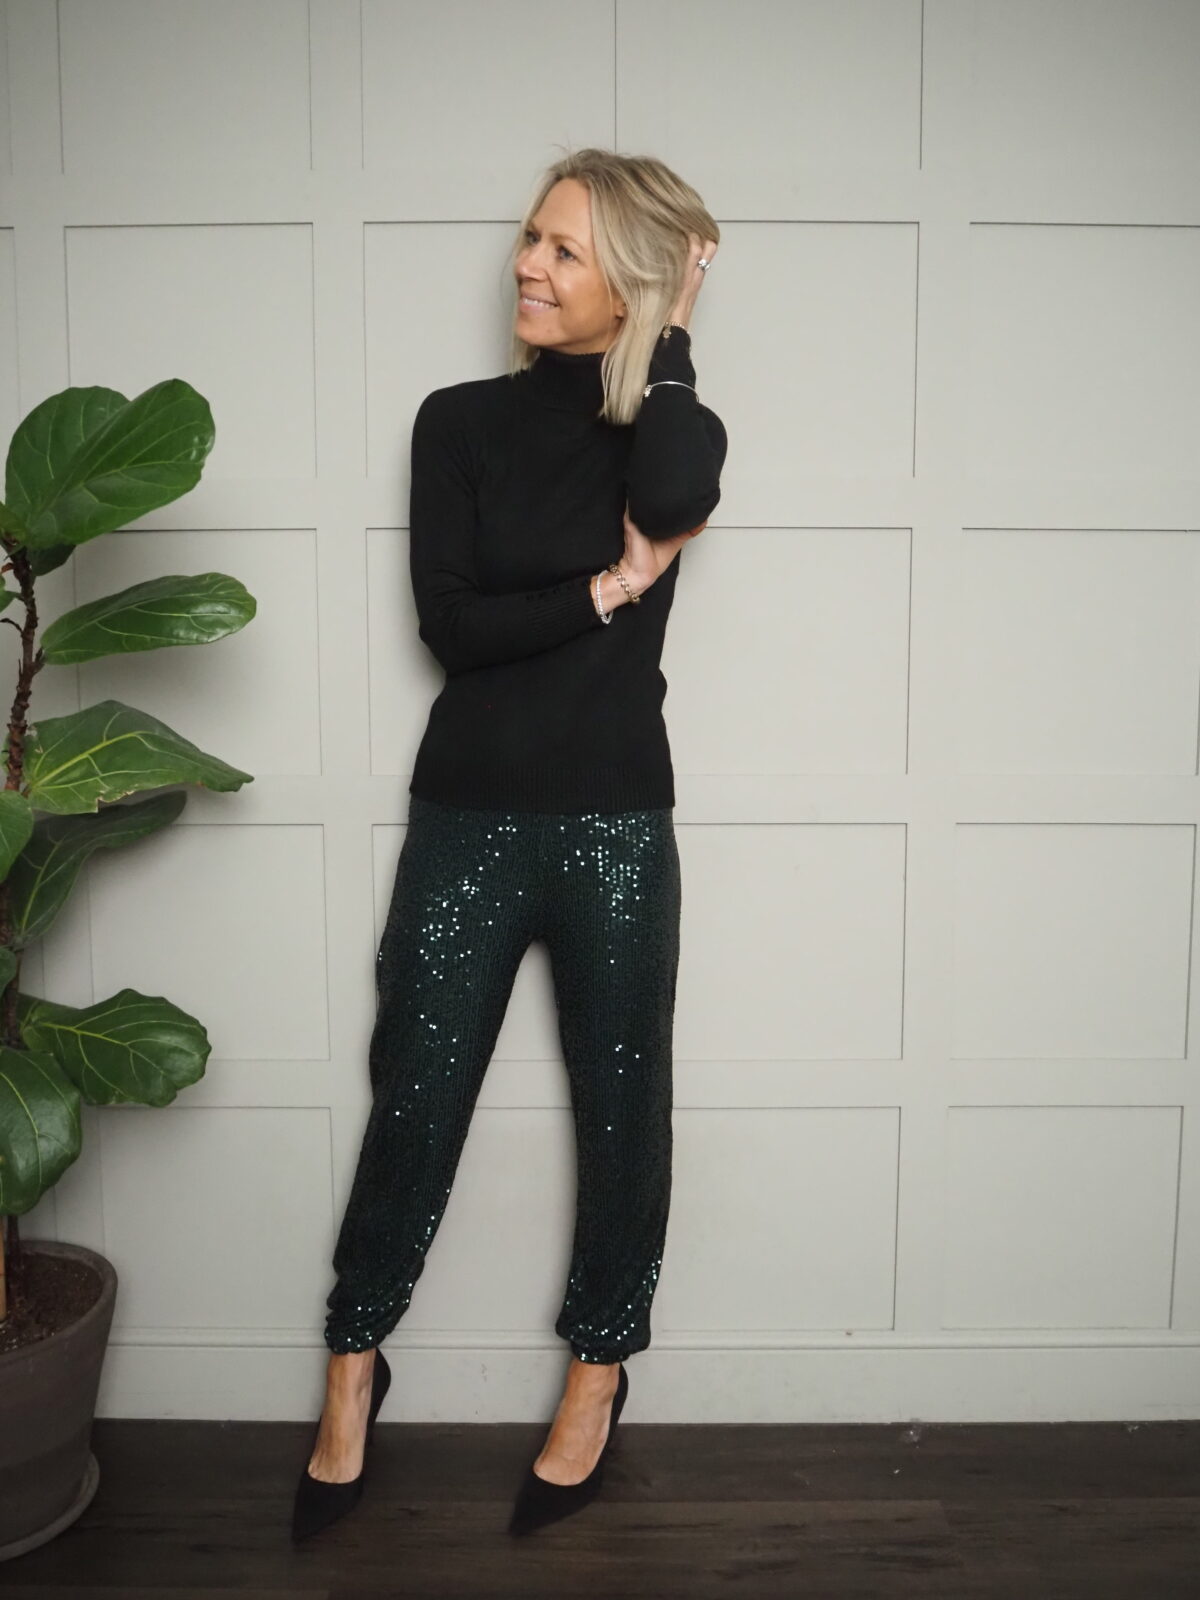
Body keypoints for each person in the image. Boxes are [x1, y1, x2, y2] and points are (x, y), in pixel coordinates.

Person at [292, 147, 727, 1543]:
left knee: (624, 1108)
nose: (528, 266)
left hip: (616, 821)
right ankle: (354, 1362)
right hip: (468, 813)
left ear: (632, 287)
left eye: (566, 250)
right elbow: (453, 629)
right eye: (531, 238)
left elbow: (676, 494)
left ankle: (599, 1374)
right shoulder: (458, 422)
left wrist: (675, 336)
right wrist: (605, 590)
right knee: (415, 1095)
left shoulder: (667, 429)